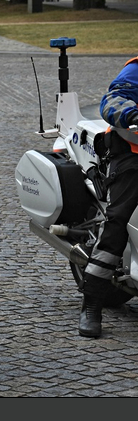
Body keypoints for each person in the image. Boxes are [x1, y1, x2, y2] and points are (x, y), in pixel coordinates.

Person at [79, 56, 138, 338]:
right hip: (131, 154)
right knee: (118, 219)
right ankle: (92, 304)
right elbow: (113, 100)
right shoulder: (135, 69)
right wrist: (132, 114)